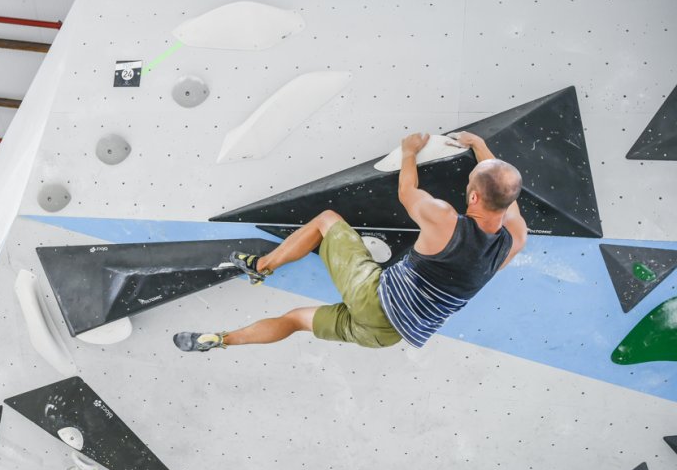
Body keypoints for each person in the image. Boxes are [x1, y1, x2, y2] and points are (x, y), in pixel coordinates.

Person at [174, 131, 527, 352]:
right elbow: (504, 194)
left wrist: (409, 150)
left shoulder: (445, 219)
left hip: (375, 297)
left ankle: (260, 267)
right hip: (387, 335)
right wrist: (481, 147)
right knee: (297, 320)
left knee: (327, 221)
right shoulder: (514, 240)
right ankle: (222, 340)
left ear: (474, 199)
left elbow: (408, 192)